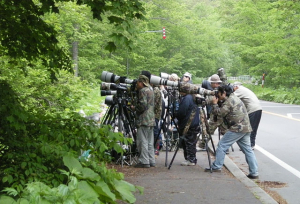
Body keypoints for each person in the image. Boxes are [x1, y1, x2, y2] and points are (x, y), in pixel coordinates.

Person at [205, 85, 259, 179]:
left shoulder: (229, 102)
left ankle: (217, 166)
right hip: (246, 127)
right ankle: (254, 172)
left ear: (224, 93)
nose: (218, 95)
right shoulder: (234, 97)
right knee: (248, 150)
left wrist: (214, 103)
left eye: (219, 93)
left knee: (222, 145)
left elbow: (220, 113)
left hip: (237, 128)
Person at [131, 75, 156, 168]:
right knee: (150, 141)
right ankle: (151, 160)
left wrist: (134, 108)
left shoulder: (142, 91)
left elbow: (142, 105)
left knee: (143, 141)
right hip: (151, 119)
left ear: (141, 82)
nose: (137, 84)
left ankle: (144, 161)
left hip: (144, 119)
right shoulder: (151, 90)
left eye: (138, 82)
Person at [233, 82, 262, 149]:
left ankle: (250, 145)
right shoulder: (244, 89)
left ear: (236, 86)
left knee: (250, 128)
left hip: (253, 109)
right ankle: (251, 144)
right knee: (253, 128)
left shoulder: (239, 90)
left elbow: (231, 98)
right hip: (257, 108)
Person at [177, 91, 200, 166]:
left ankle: (190, 159)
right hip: (194, 123)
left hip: (188, 123)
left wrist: (176, 114)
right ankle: (191, 158)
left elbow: (181, 112)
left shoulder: (187, 98)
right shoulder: (194, 97)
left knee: (188, 142)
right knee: (191, 141)